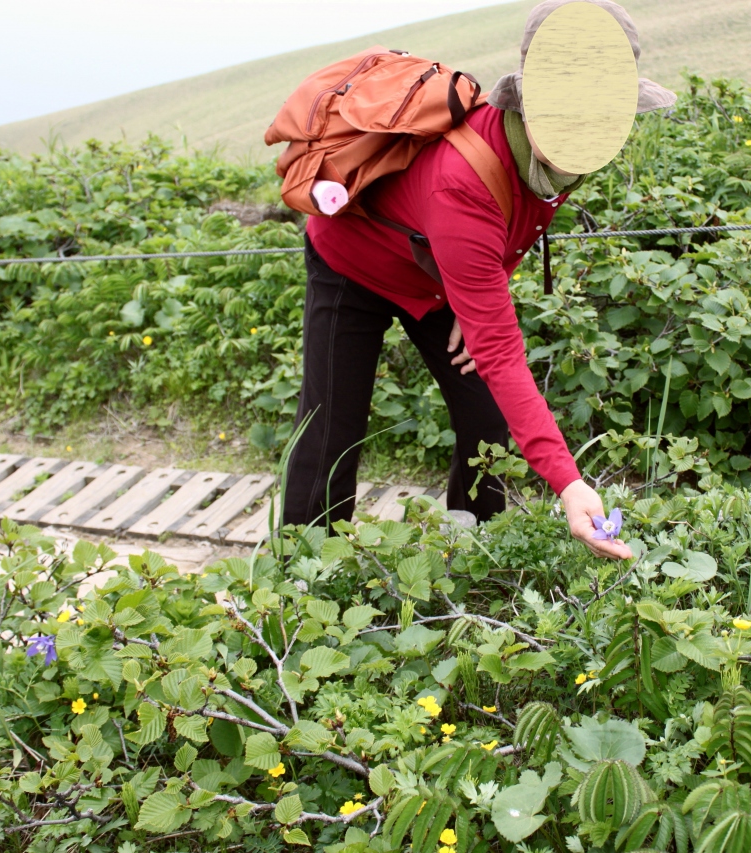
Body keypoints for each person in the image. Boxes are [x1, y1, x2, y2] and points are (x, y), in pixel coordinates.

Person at [283, 0, 675, 560]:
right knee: (332, 427)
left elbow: (515, 221)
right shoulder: (461, 181)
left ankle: (473, 550)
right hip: (354, 258)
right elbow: (502, 352)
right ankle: (300, 573)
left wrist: (475, 299)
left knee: (486, 417)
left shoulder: (558, 154)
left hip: (437, 266)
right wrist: (568, 483)